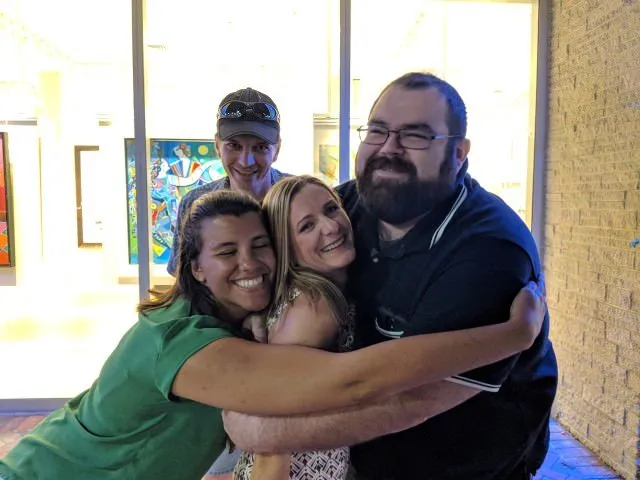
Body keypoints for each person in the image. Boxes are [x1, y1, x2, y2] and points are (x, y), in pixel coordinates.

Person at [0, 189, 545, 480]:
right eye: (226, 252)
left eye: (260, 245)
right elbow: (351, 383)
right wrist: (512, 337)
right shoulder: (186, 344)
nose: (250, 263)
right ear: (194, 268)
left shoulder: (239, 322)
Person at [223, 73, 558, 480]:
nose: (389, 148)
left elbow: (409, 398)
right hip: (361, 463)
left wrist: (259, 432)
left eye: (415, 135)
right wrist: (256, 317)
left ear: (458, 153)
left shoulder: (488, 250)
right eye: (378, 130)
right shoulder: (349, 205)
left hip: (465, 467)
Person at [167, 87, 289, 276]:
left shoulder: (298, 199)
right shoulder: (193, 204)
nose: (246, 161)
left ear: (277, 149)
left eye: (261, 147)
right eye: (234, 145)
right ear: (217, 146)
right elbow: (183, 281)